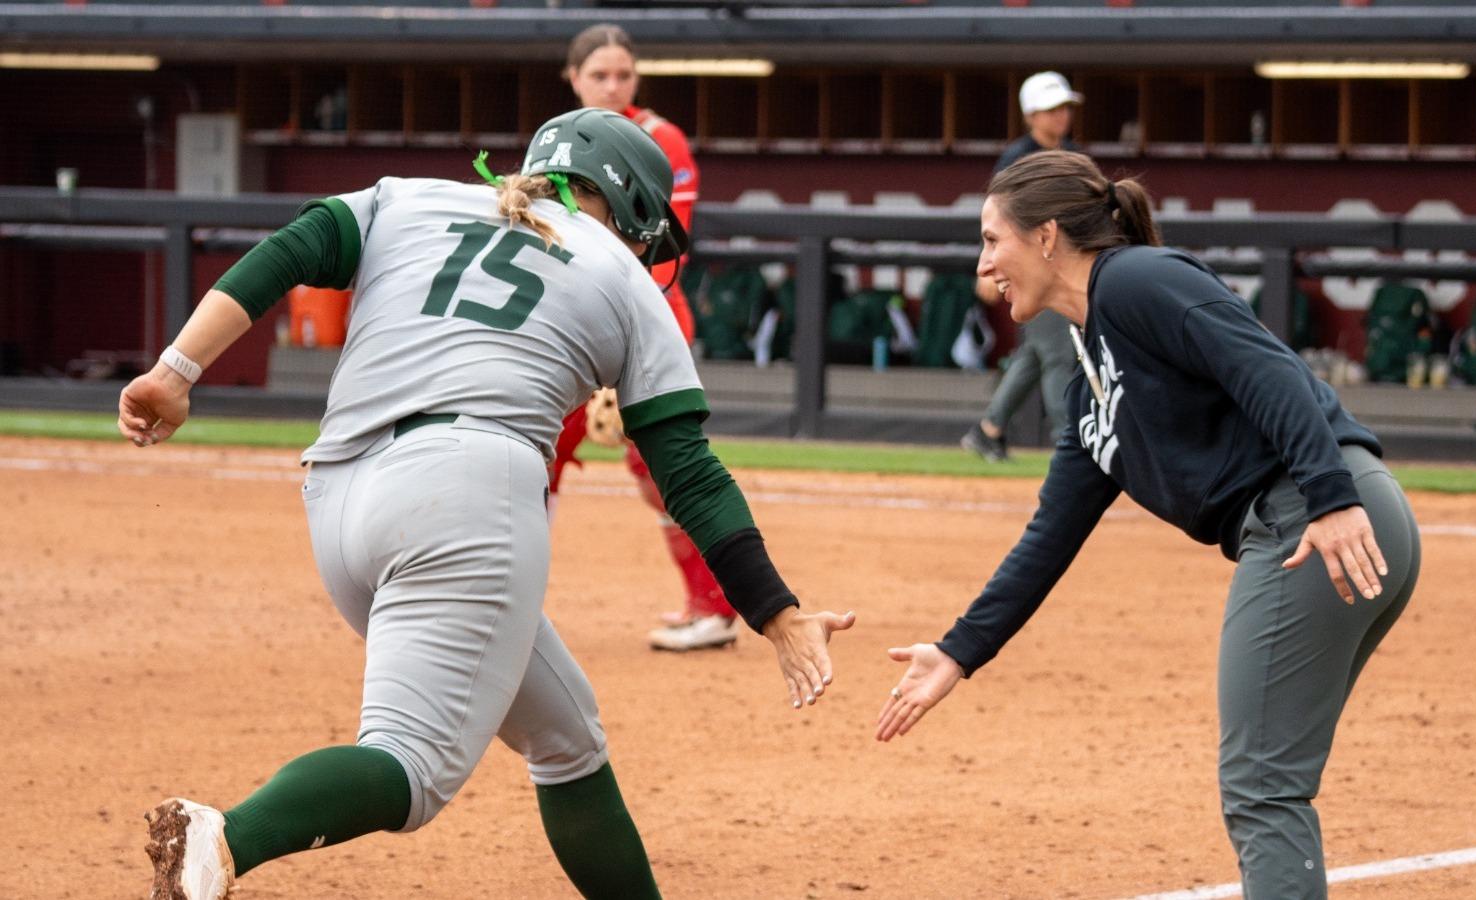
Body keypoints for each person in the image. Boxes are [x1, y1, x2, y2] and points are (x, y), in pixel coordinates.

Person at [122, 107, 855, 900]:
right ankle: (229, 835)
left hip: (338, 497)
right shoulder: (617, 269)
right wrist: (778, 613)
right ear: (635, 206)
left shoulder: (406, 198)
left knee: (566, 735)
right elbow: (690, 475)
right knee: (411, 770)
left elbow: (288, 250)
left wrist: (176, 368)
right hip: (466, 492)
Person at [880, 150, 1421, 900]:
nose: (984, 266)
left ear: (1044, 238)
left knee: (1262, 787)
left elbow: (1270, 370)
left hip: (1314, 520)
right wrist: (959, 650)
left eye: (991, 240)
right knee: (1270, 777)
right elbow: (1051, 534)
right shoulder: (1088, 385)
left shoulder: (1136, 280)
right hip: (1322, 520)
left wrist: (1328, 498)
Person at [547, 23, 735, 652]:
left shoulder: (661, 139)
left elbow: (659, 244)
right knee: (532, 455)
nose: (612, 85)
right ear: (573, 79)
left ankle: (713, 607)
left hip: (647, 314)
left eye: (623, 74)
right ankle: (497, 602)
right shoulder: (556, 142)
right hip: (569, 318)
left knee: (662, 465)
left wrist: (615, 356)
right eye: (599, 74)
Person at [962, 71, 1086, 462]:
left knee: (1036, 353)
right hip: (1030, 269)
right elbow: (994, 217)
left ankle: (988, 430)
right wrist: (989, 263)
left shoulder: (1072, 154)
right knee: (1058, 355)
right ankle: (1070, 444)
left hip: (1062, 265)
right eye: (1051, 109)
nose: (1060, 116)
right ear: (1031, 115)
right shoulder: (1018, 158)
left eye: (1064, 108)